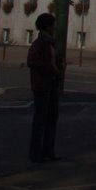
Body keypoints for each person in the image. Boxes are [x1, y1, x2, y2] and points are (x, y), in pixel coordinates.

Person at [27, 12, 61, 162]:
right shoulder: (40, 42)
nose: (54, 27)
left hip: (51, 83)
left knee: (52, 117)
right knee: (40, 120)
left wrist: (59, 65)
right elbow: (32, 61)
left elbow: (53, 59)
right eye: (53, 25)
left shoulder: (50, 42)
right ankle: (36, 153)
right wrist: (50, 68)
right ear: (47, 26)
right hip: (42, 85)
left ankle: (48, 150)